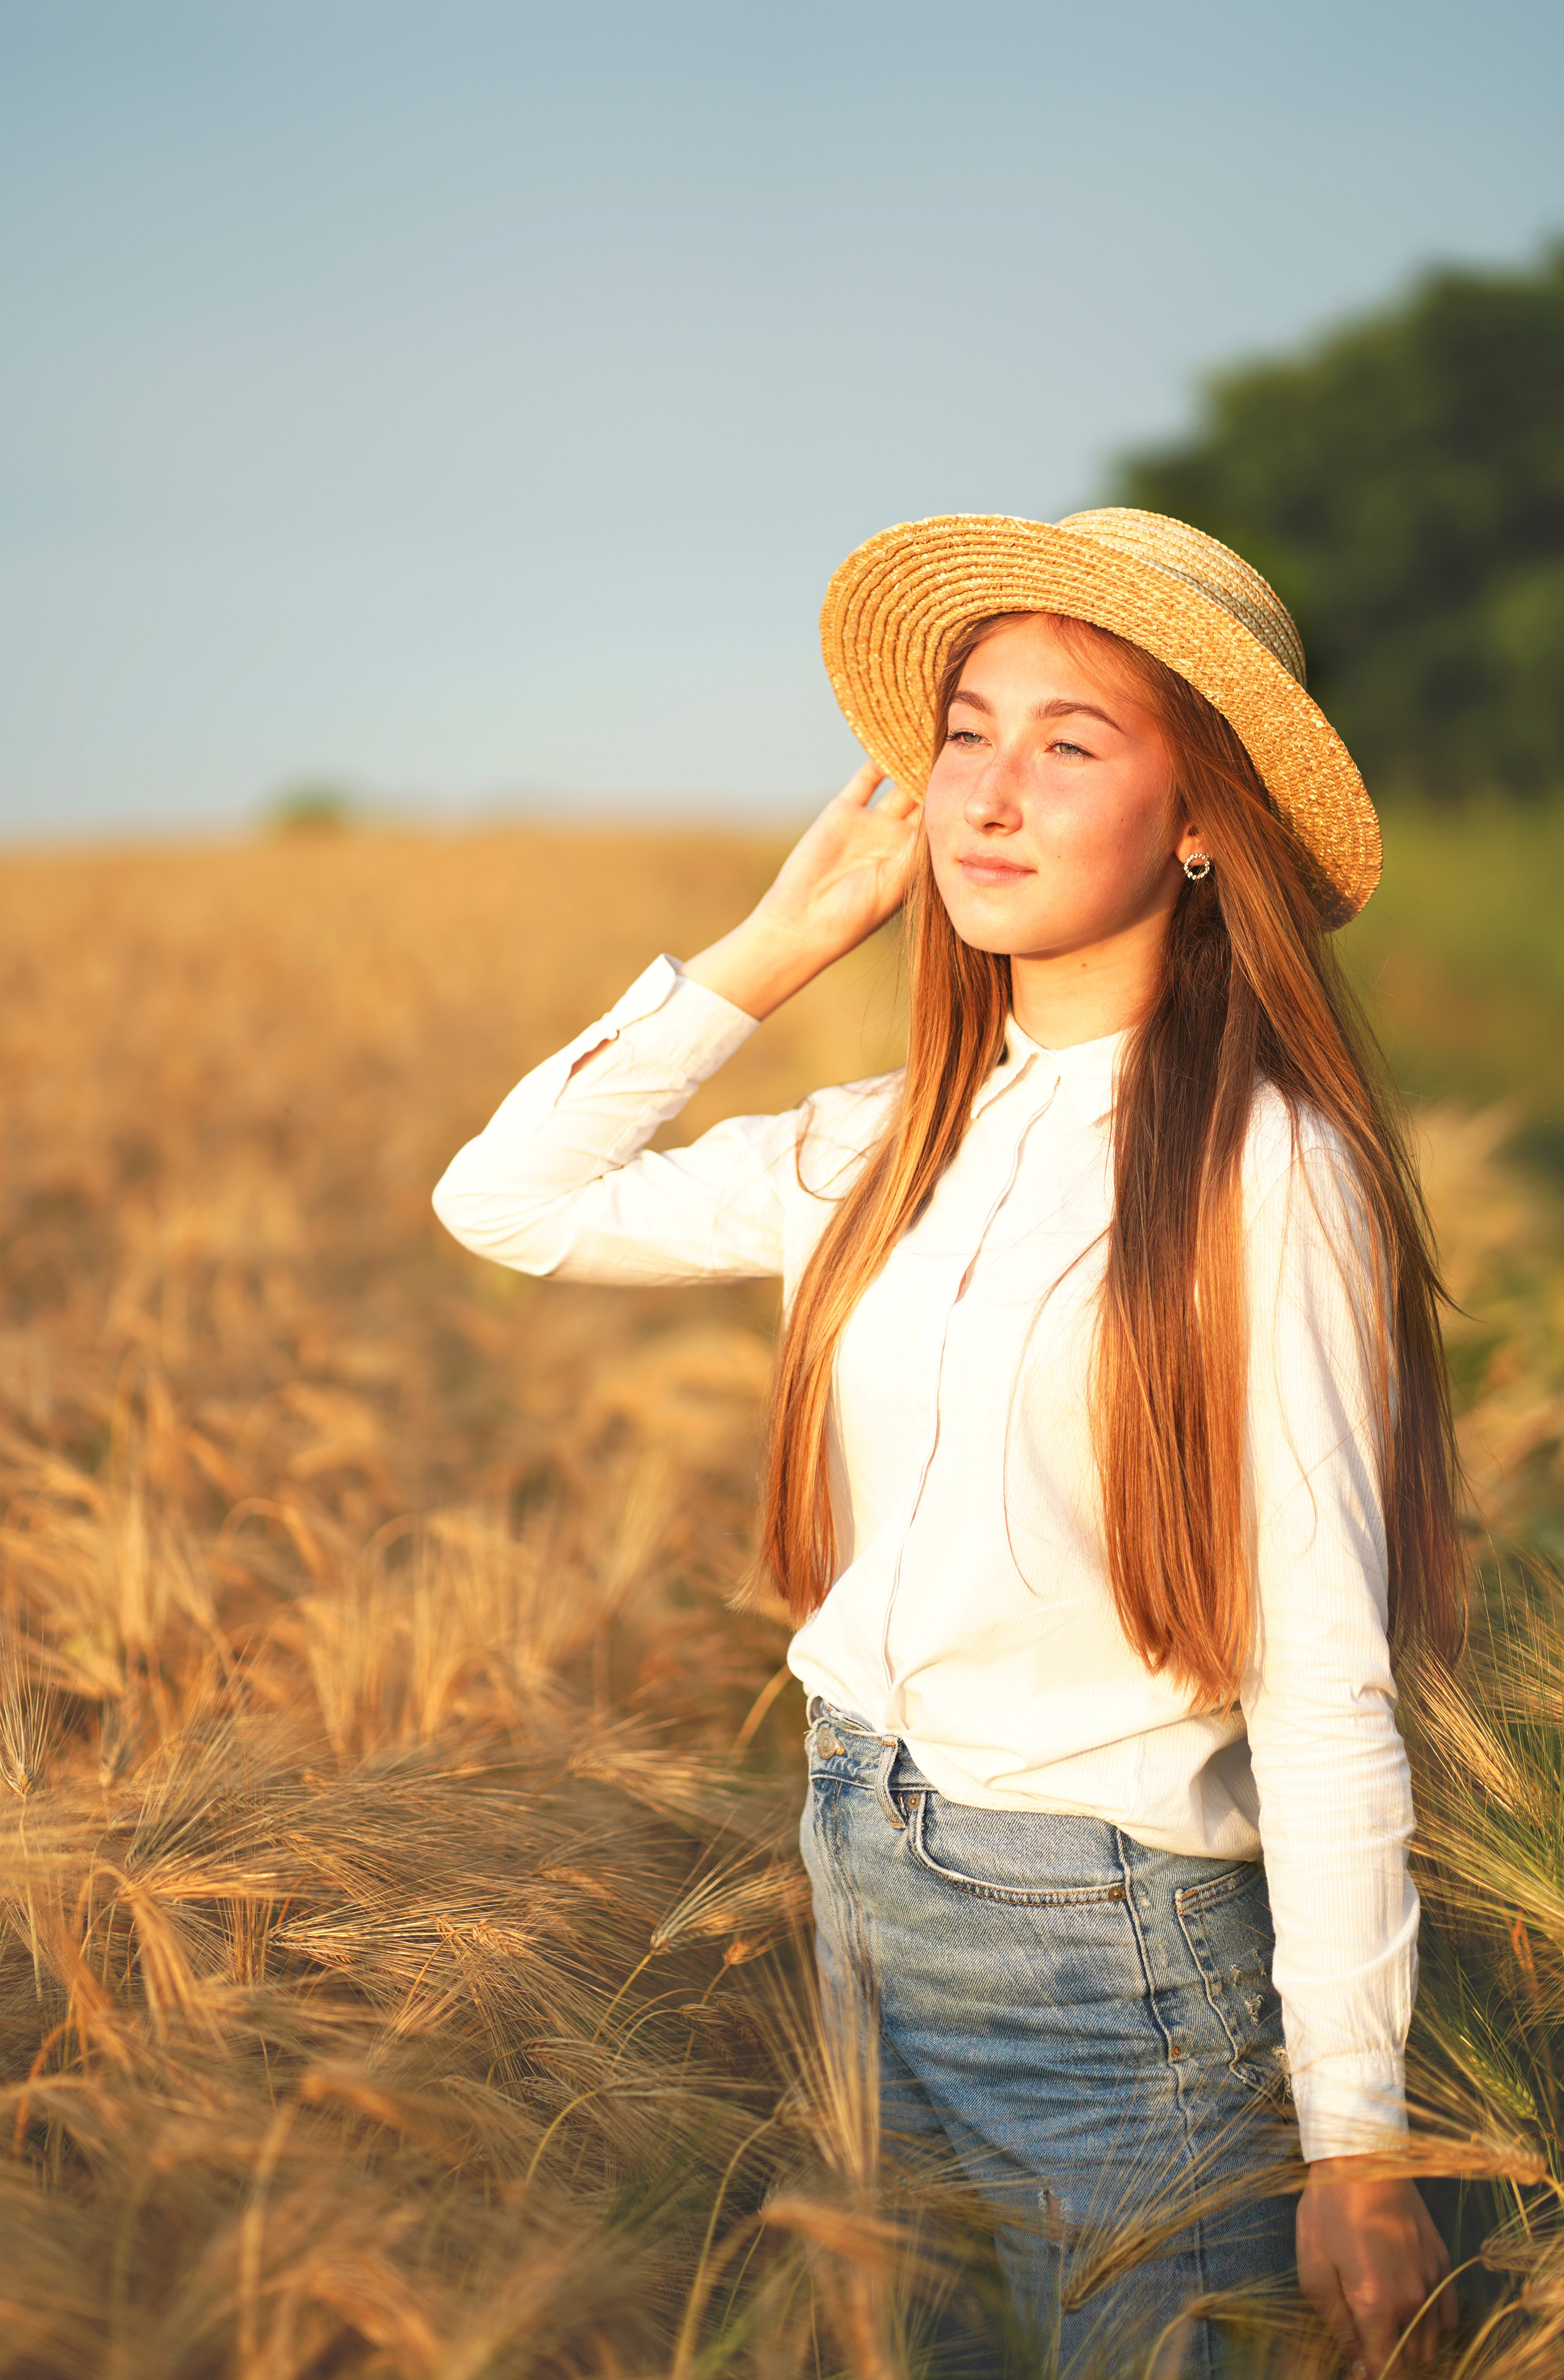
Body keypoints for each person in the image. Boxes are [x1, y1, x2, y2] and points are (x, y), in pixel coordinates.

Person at [433, 509, 1462, 2377]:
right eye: (966, 733)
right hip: (856, 1863)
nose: (986, 794)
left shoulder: (1265, 1175)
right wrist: (776, 942)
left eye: (1069, 744)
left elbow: (1328, 1669)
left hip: (1112, 1957)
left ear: (1207, 817)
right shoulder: (895, 1135)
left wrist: (1359, 2136)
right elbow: (509, 1202)